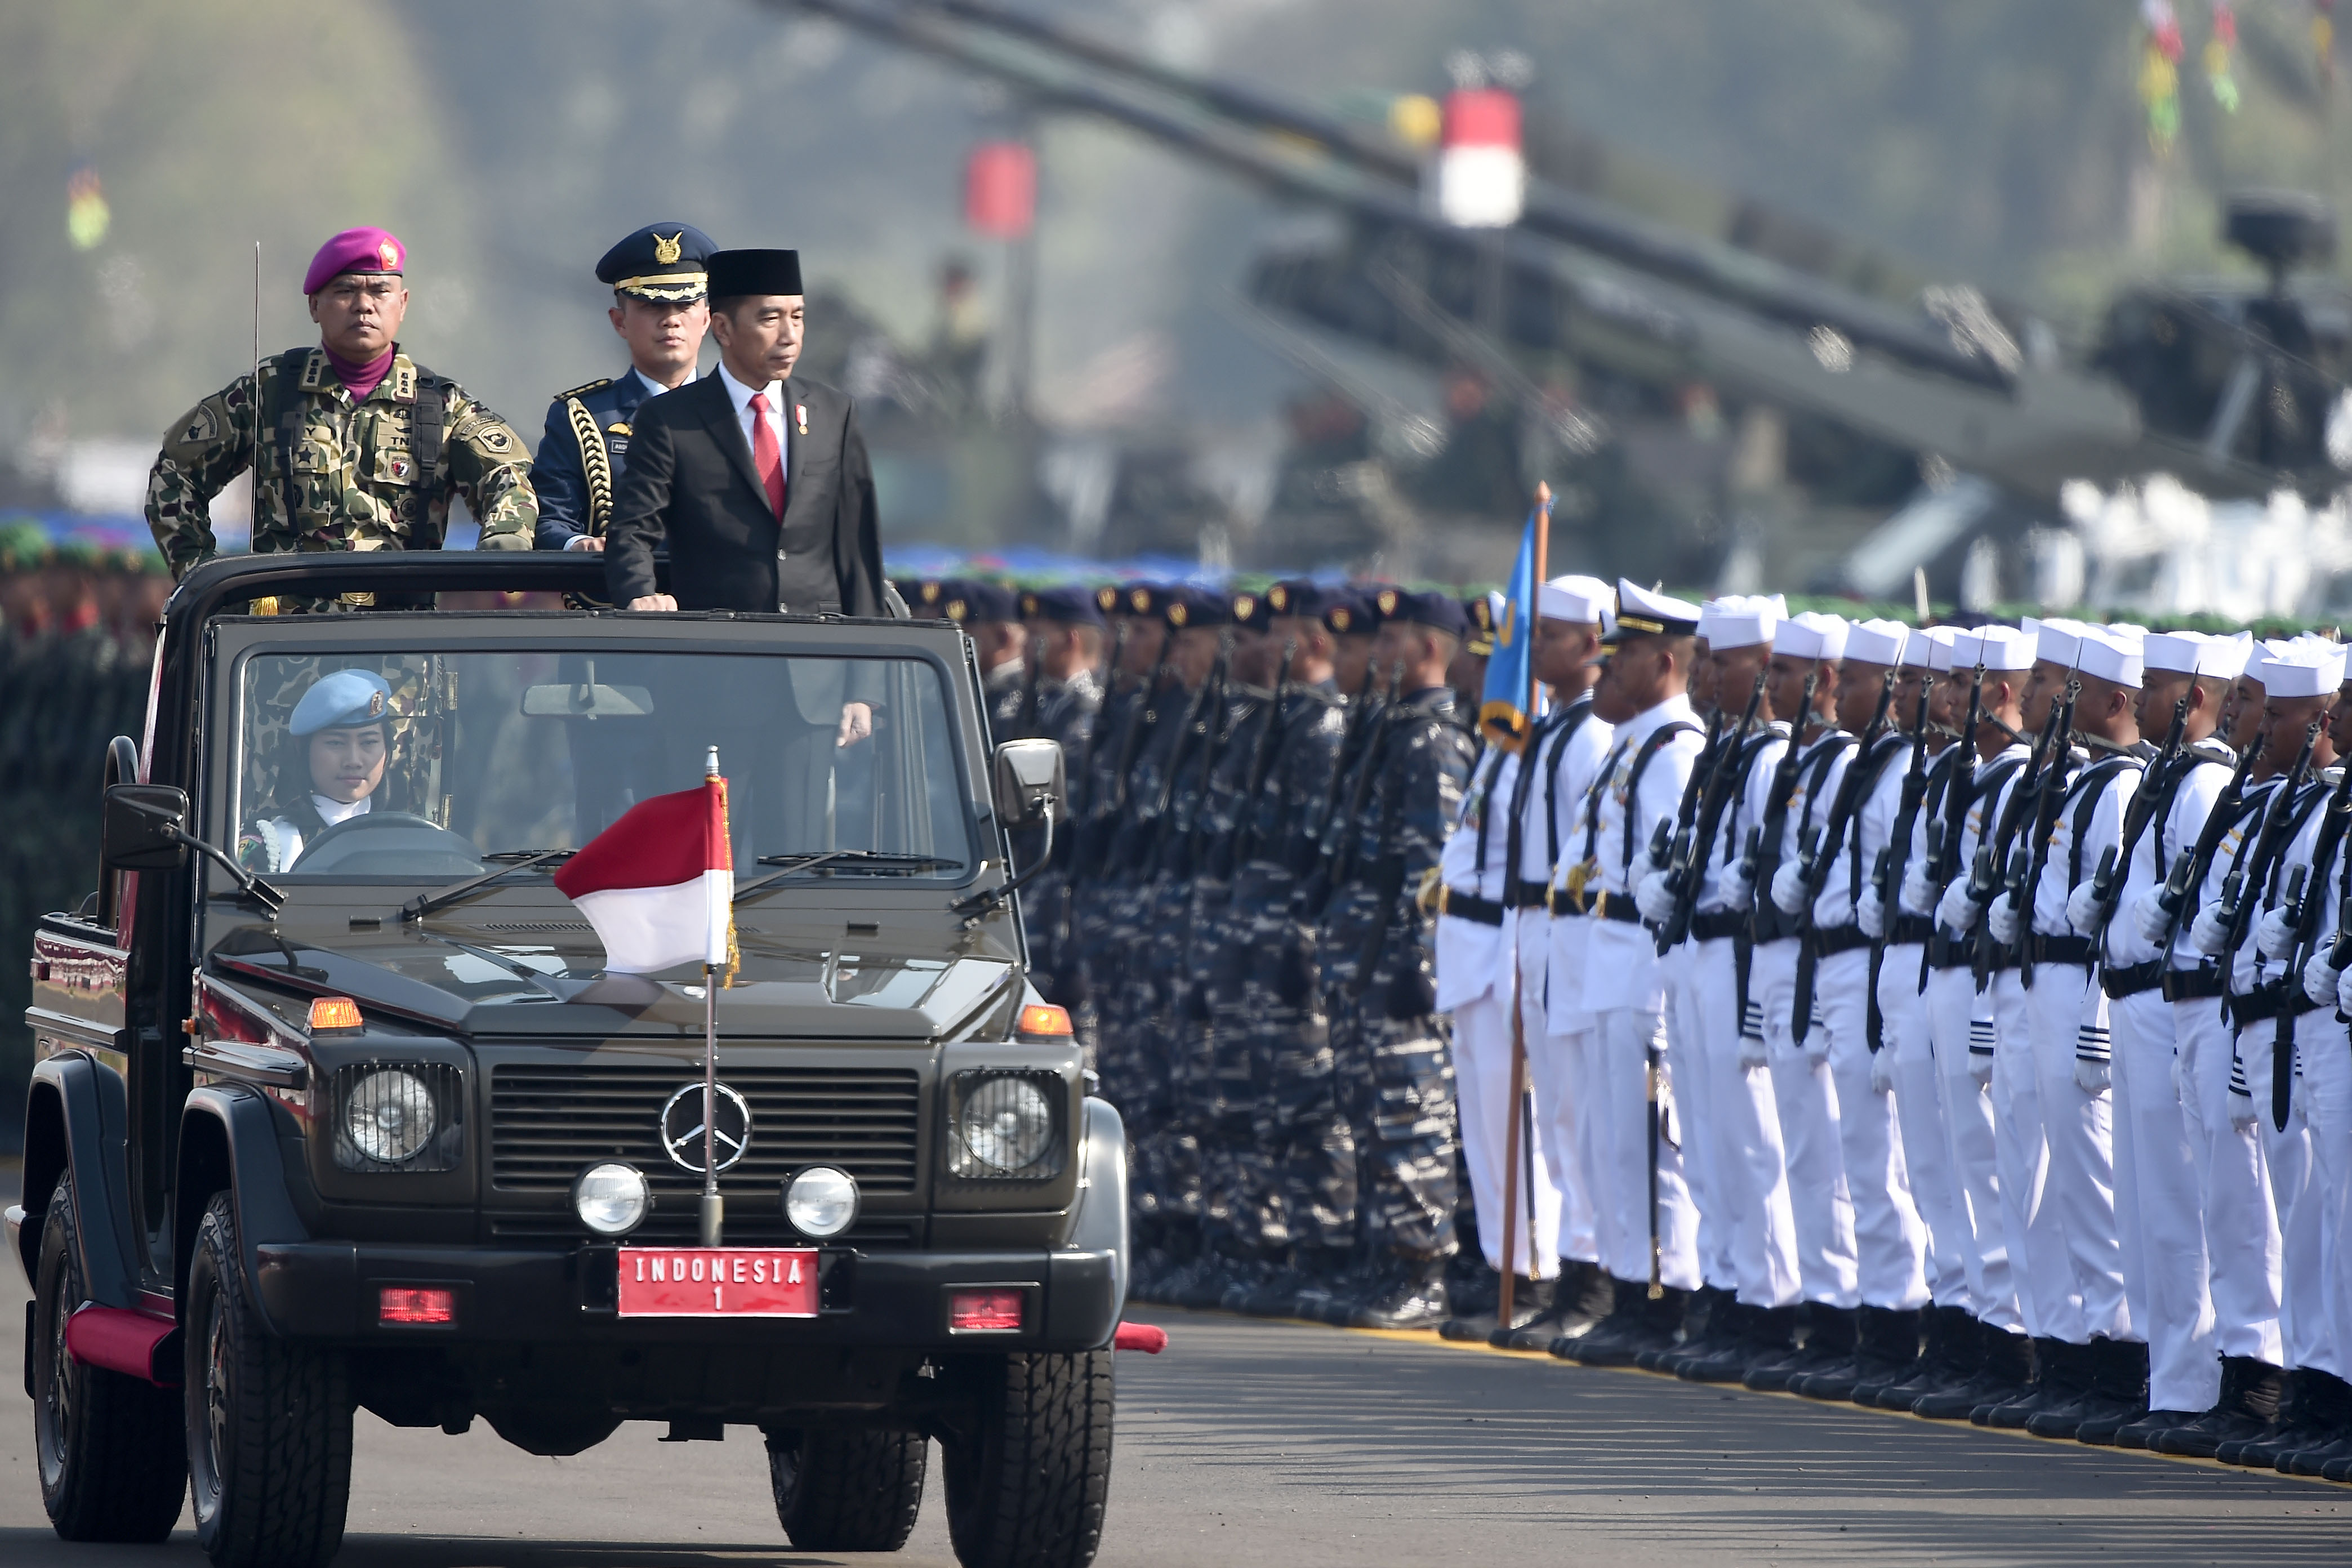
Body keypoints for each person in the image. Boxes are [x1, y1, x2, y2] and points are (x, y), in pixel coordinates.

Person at [147, 227, 536, 584]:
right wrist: (201, 572)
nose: (364, 305)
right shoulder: (271, 392)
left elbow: (509, 481)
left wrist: (505, 540)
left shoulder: (440, 407)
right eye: (346, 291)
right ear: (315, 306)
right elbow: (175, 472)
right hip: (281, 643)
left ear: (402, 304)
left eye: (380, 292)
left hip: (400, 637)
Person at [604, 247, 887, 624]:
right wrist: (640, 594)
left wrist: (870, 655)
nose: (789, 336)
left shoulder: (833, 414)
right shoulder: (671, 420)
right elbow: (634, 530)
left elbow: (858, 549)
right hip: (721, 653)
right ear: (722, 328)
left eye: (798, 318)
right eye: (770, 318)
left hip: (822, 658)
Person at [533, 223, 716, 553]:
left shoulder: (735, 413)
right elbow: (549, 518)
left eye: (685, 305)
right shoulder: (581, 418)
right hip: (611, 599)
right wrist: (578, 544)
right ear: (619, 321)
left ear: (707, 319)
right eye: (653, 306)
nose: (671, 320)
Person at [238, 669, 394, 872]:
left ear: (387, 751)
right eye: (336, 743)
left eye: (369, 742)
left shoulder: (410, 839)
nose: (354, 761)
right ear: (304, 750)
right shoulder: (267, 845)